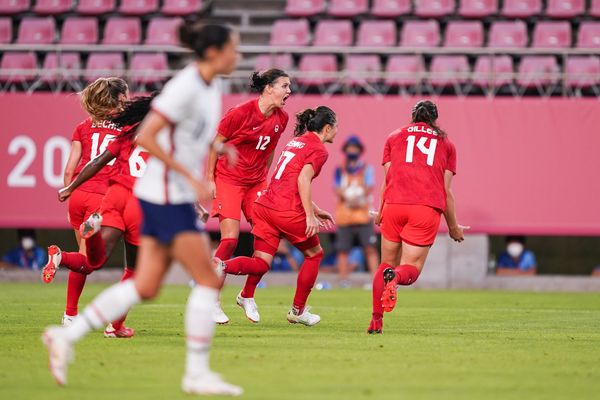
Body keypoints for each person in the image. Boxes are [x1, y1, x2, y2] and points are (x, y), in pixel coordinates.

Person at [42, 22, 243, 395]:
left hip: (160, 195)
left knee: (145, 284)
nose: (239, 55)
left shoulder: (210, 85)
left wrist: (219, 150)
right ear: (214, 52)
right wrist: (192, 177)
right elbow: (148, 135)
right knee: (206, 279)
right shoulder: (186, 86)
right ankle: (196, 372)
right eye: (234, 48)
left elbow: (182, 135)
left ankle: (65, 336)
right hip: (165, 196)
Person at [42, 94, 156, 338]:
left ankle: (65, 256)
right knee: (135, 270)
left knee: (92, 261)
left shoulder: (126, 133)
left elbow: (96, 161)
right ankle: (115, 327)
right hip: (136, 202)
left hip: (112, 196)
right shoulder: (163, 137)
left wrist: (69, 188)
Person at [214, 106, 337, 326]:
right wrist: (309, 215)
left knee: (261, 263)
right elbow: (302, 180)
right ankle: (297, 311)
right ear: (327, 128)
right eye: (336, 126)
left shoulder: (295, 142)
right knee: (315, 255)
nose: (337, 130)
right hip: (286, 211)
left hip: (264, 206)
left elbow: (288, 179)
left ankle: (222, 266)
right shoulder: (319, 150)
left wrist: (315, 208)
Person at [368, 100, 468, 334]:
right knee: (410, 269)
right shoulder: (446, 144)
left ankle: (376, 321)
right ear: (435, 119)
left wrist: (381, 212)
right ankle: (396, 279)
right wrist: (453, 226)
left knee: (384, 265)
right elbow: (446, 191)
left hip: (394, 206)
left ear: (413, 117)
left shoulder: (394, 136)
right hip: (424, 208)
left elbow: (387, 180)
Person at [206, 68, 292, 324]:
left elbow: (270, 151)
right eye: (284, 86)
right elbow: (215, 143)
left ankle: (247, 295)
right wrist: (210, 179)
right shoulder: (240, 113)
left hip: (256, 182)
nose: (289, 91)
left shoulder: (282, 118)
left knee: (268, 237)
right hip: (229, 180)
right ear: (268, 88)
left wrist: (267, 183)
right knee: (230, 240)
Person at [60, 77, 128, 325]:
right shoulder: (126, 128)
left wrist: (68, 192)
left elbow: (70, 169)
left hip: (78, 194)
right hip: (103, 197)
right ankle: (59, 257)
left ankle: (70, 314)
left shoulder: (82, 127)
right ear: (118, 99)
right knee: (90, 260)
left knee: (84, 260)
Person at [333, 135, 379, 285]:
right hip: (345, 214)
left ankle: (375, 280)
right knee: (343, 249)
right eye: (350, 148)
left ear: (359, 150)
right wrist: (347, 196)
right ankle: (344, 280)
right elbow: (337, 188)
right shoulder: (340, 169)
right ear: (345, 150)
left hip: (362, 214)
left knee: (369, 248)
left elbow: (368, 187)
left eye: (355, 148)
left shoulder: (366, 168)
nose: (352, 150)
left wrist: (357, 196)